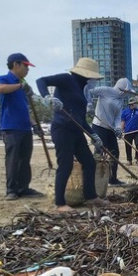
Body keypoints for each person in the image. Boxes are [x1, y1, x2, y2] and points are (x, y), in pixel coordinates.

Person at [36, 57, 107, 212]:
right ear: (87, 74)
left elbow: (81, 119)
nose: (94, 80)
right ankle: (60, 203)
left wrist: (93, 135)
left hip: (76, 131)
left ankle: (91, 196)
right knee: (65, 164)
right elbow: (41, 81)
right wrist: (48, 98)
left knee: (89, 162)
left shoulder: (82, 90)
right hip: (62, 129)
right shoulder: (67, 79)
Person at [0, 53, 44, 201]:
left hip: (24, 128)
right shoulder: (5, 79)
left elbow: (24, 109)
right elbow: (0, 89)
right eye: (25, 66)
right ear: (16, 65)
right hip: (11, 127)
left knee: (24, 159)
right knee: (13, 159)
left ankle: (23, 188)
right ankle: (11, 190)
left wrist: (35, 125)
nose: (27, 70)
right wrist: (19, 86)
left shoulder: (22, 84)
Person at [88, 77, 132, 185]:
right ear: (122, 89)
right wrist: (88, 104)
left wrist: (118, 128)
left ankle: (112, 179)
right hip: (99, 126)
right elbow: (88, 91)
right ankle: (95, 179)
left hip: (110, 129)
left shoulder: (121, 100)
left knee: (114, 153)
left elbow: (118, 117)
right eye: (126, 91)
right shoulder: (106, 90)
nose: (127, 94)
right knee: (100, 151)